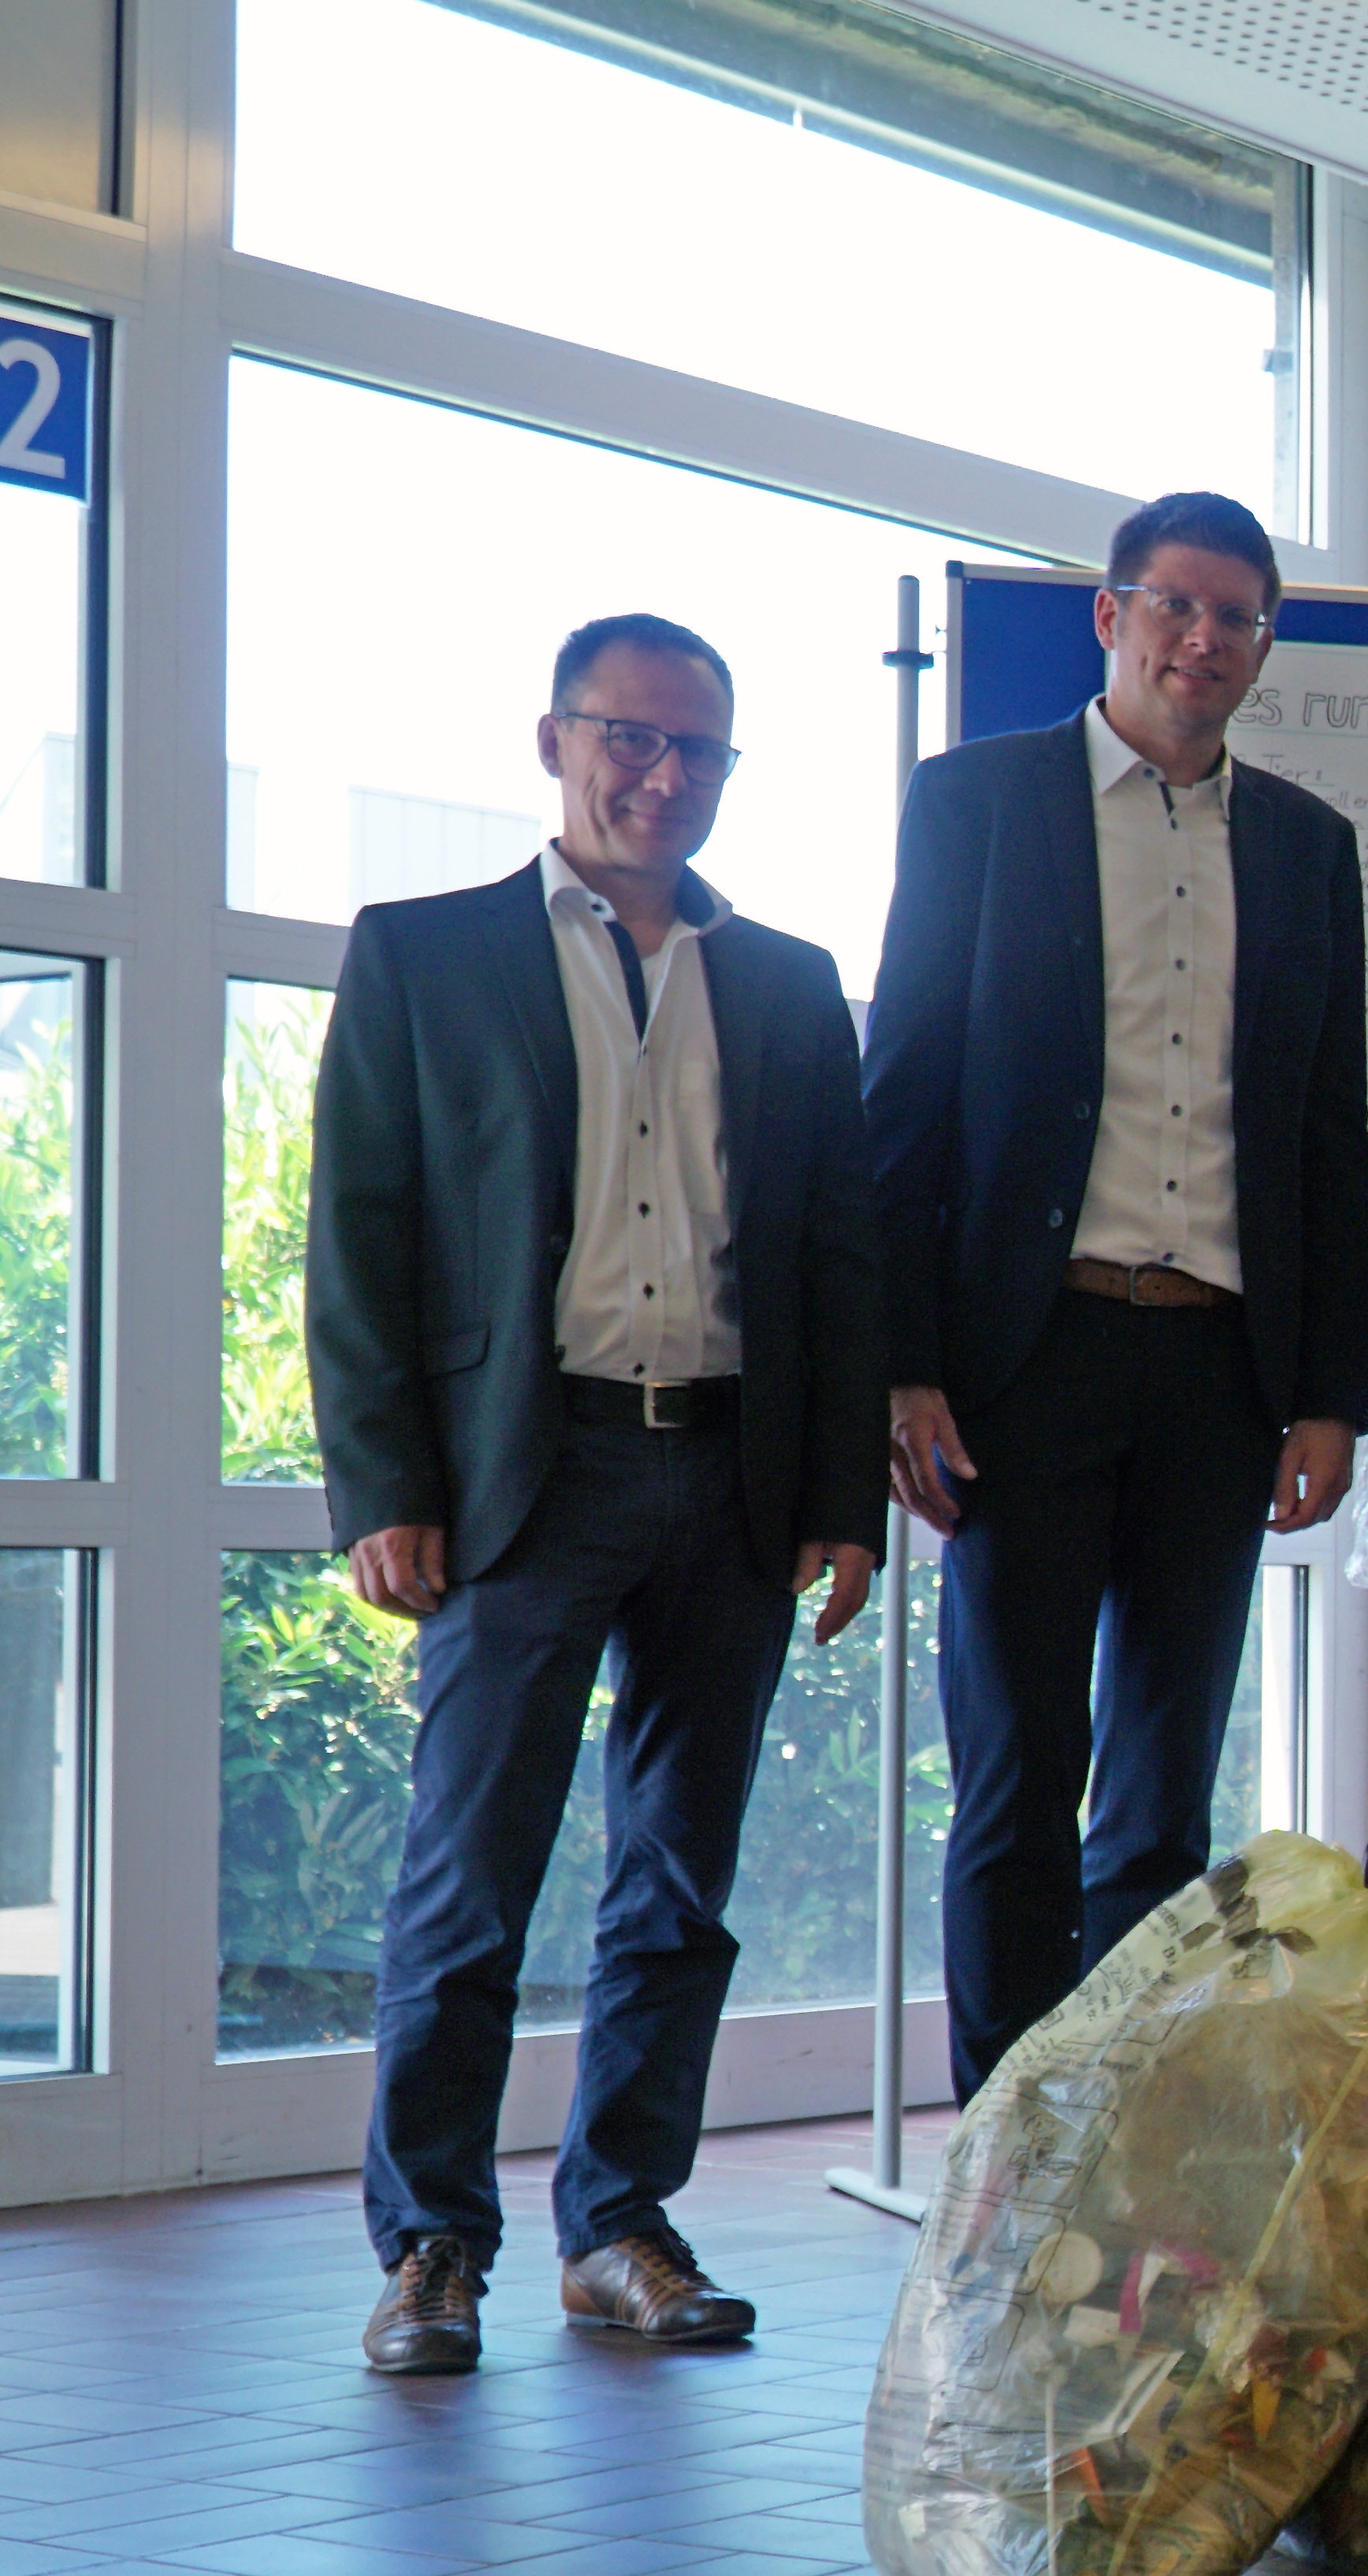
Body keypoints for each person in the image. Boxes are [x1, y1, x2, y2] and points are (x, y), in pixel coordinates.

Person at [306, 613, 882, 2372]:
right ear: (555, 740)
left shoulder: (786, 981)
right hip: (522, 1475)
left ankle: (620, 2225)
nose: (663, 774)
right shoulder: (425, 955)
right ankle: (431, 2245)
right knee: (469, 1879)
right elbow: (362, 1236)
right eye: (630, 736)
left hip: (729, 1466)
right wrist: (382, 1485)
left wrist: (841, 1494)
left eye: (698, 748)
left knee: (679, 1887)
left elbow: (834, 1253)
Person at [865, 490, 1368, 2099]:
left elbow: (1327, 1129)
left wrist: (1329, 1392)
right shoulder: (978, 804)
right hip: (1026, 1358)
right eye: (1176, 605)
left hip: (1220, 1366)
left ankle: (1119, 2139)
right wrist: (904, 1360)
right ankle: (1004, 2152)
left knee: (1161, 1801)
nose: (1204, 639)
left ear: (1264, 647)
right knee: (1017, 1780)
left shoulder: (1307, 846)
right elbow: (904, 1098)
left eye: (1239, 617)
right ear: (1111, 614)